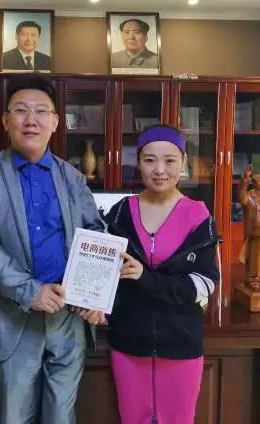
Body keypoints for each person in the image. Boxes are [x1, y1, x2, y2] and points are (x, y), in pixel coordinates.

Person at [0, 76, 104, 424]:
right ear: (6, 120)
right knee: (13, 418)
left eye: (41, 111)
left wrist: (95, 293)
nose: (31, 120)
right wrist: (30, 291)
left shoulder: (73, 178)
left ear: (55, 122)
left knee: (61, 417)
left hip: (68, 319)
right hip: (12, 317)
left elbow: (96, 235)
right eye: (21, 111)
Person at [102, 124, 221, 424]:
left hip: (180, 343)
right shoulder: (120, 213)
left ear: (183, 162)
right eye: (149, 160)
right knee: (131, 418)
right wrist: (94, 301)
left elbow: (203, 284)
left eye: (169, 160)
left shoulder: (198, 215)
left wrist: (146, 278)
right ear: (138, 162)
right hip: (129, 343)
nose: (159, 170)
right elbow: (104, 273)